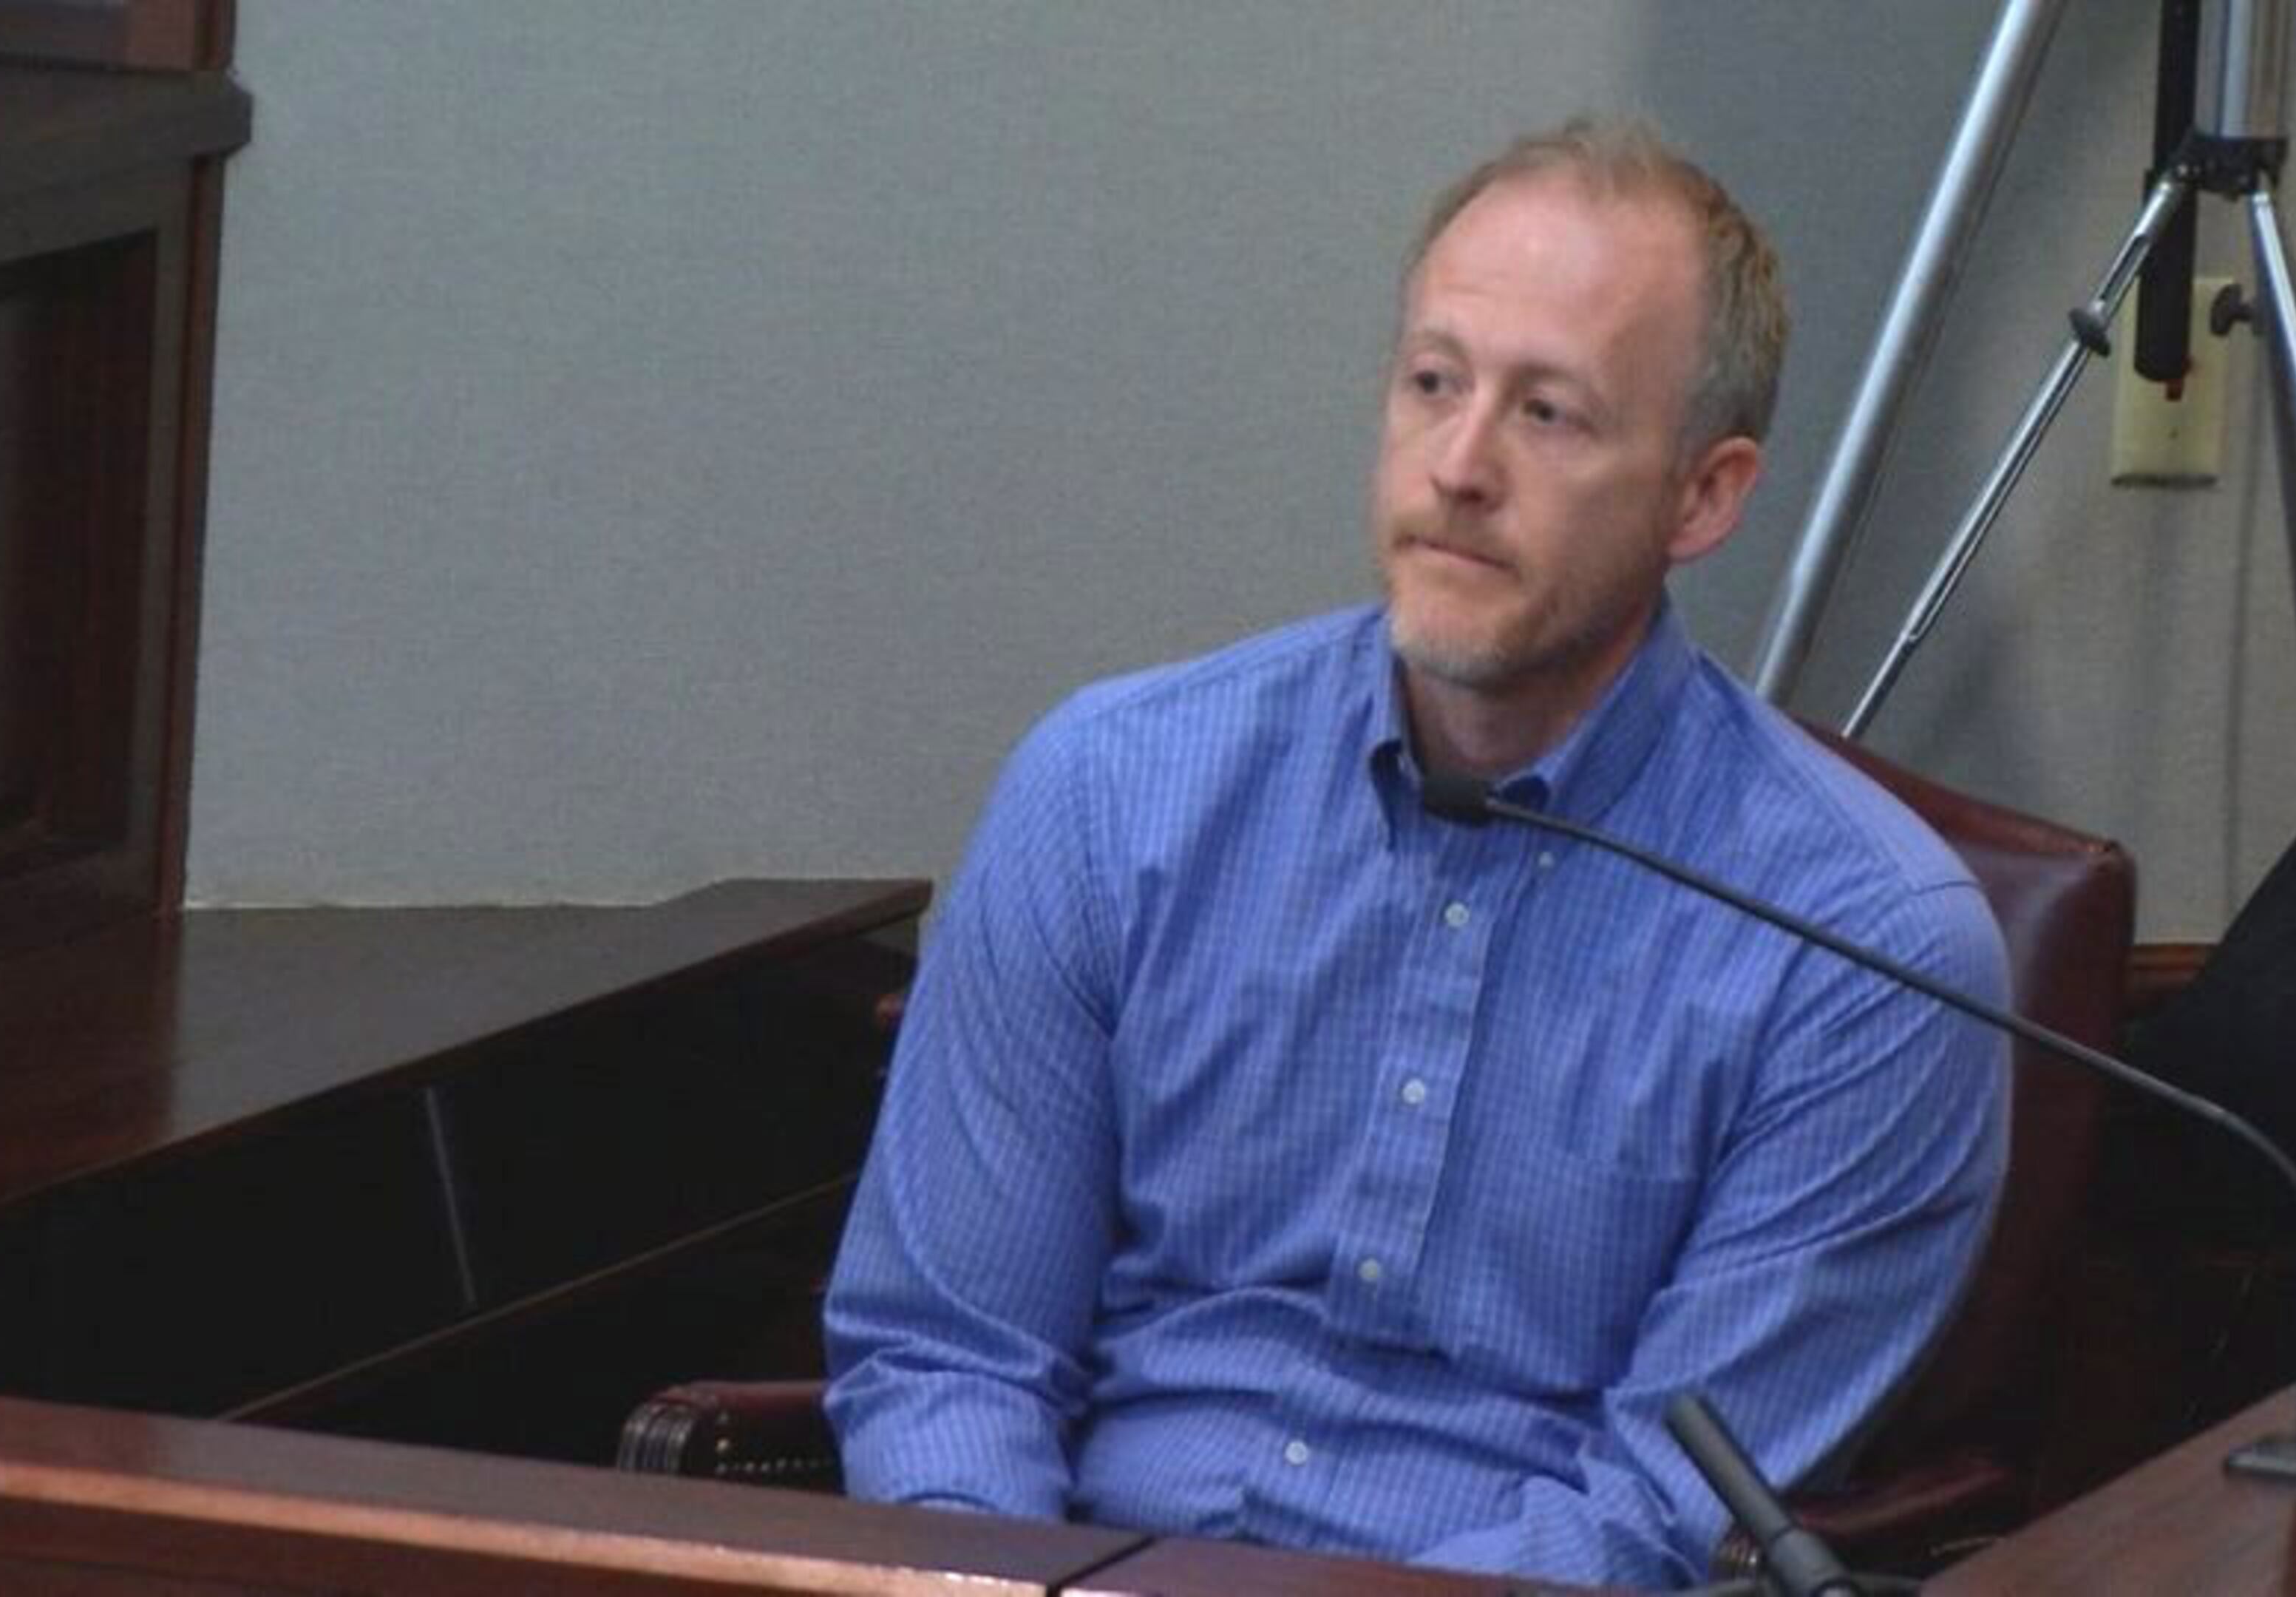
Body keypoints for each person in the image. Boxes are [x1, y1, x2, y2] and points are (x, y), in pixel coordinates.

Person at [822, 117, 2010, 1590]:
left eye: (1550, 415)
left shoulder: (1867, 947)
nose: (1458, 467)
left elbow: (1657, 1520)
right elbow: (951, 1356)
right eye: (1434, 383)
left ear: (1705, 495)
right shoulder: (1112, 790)